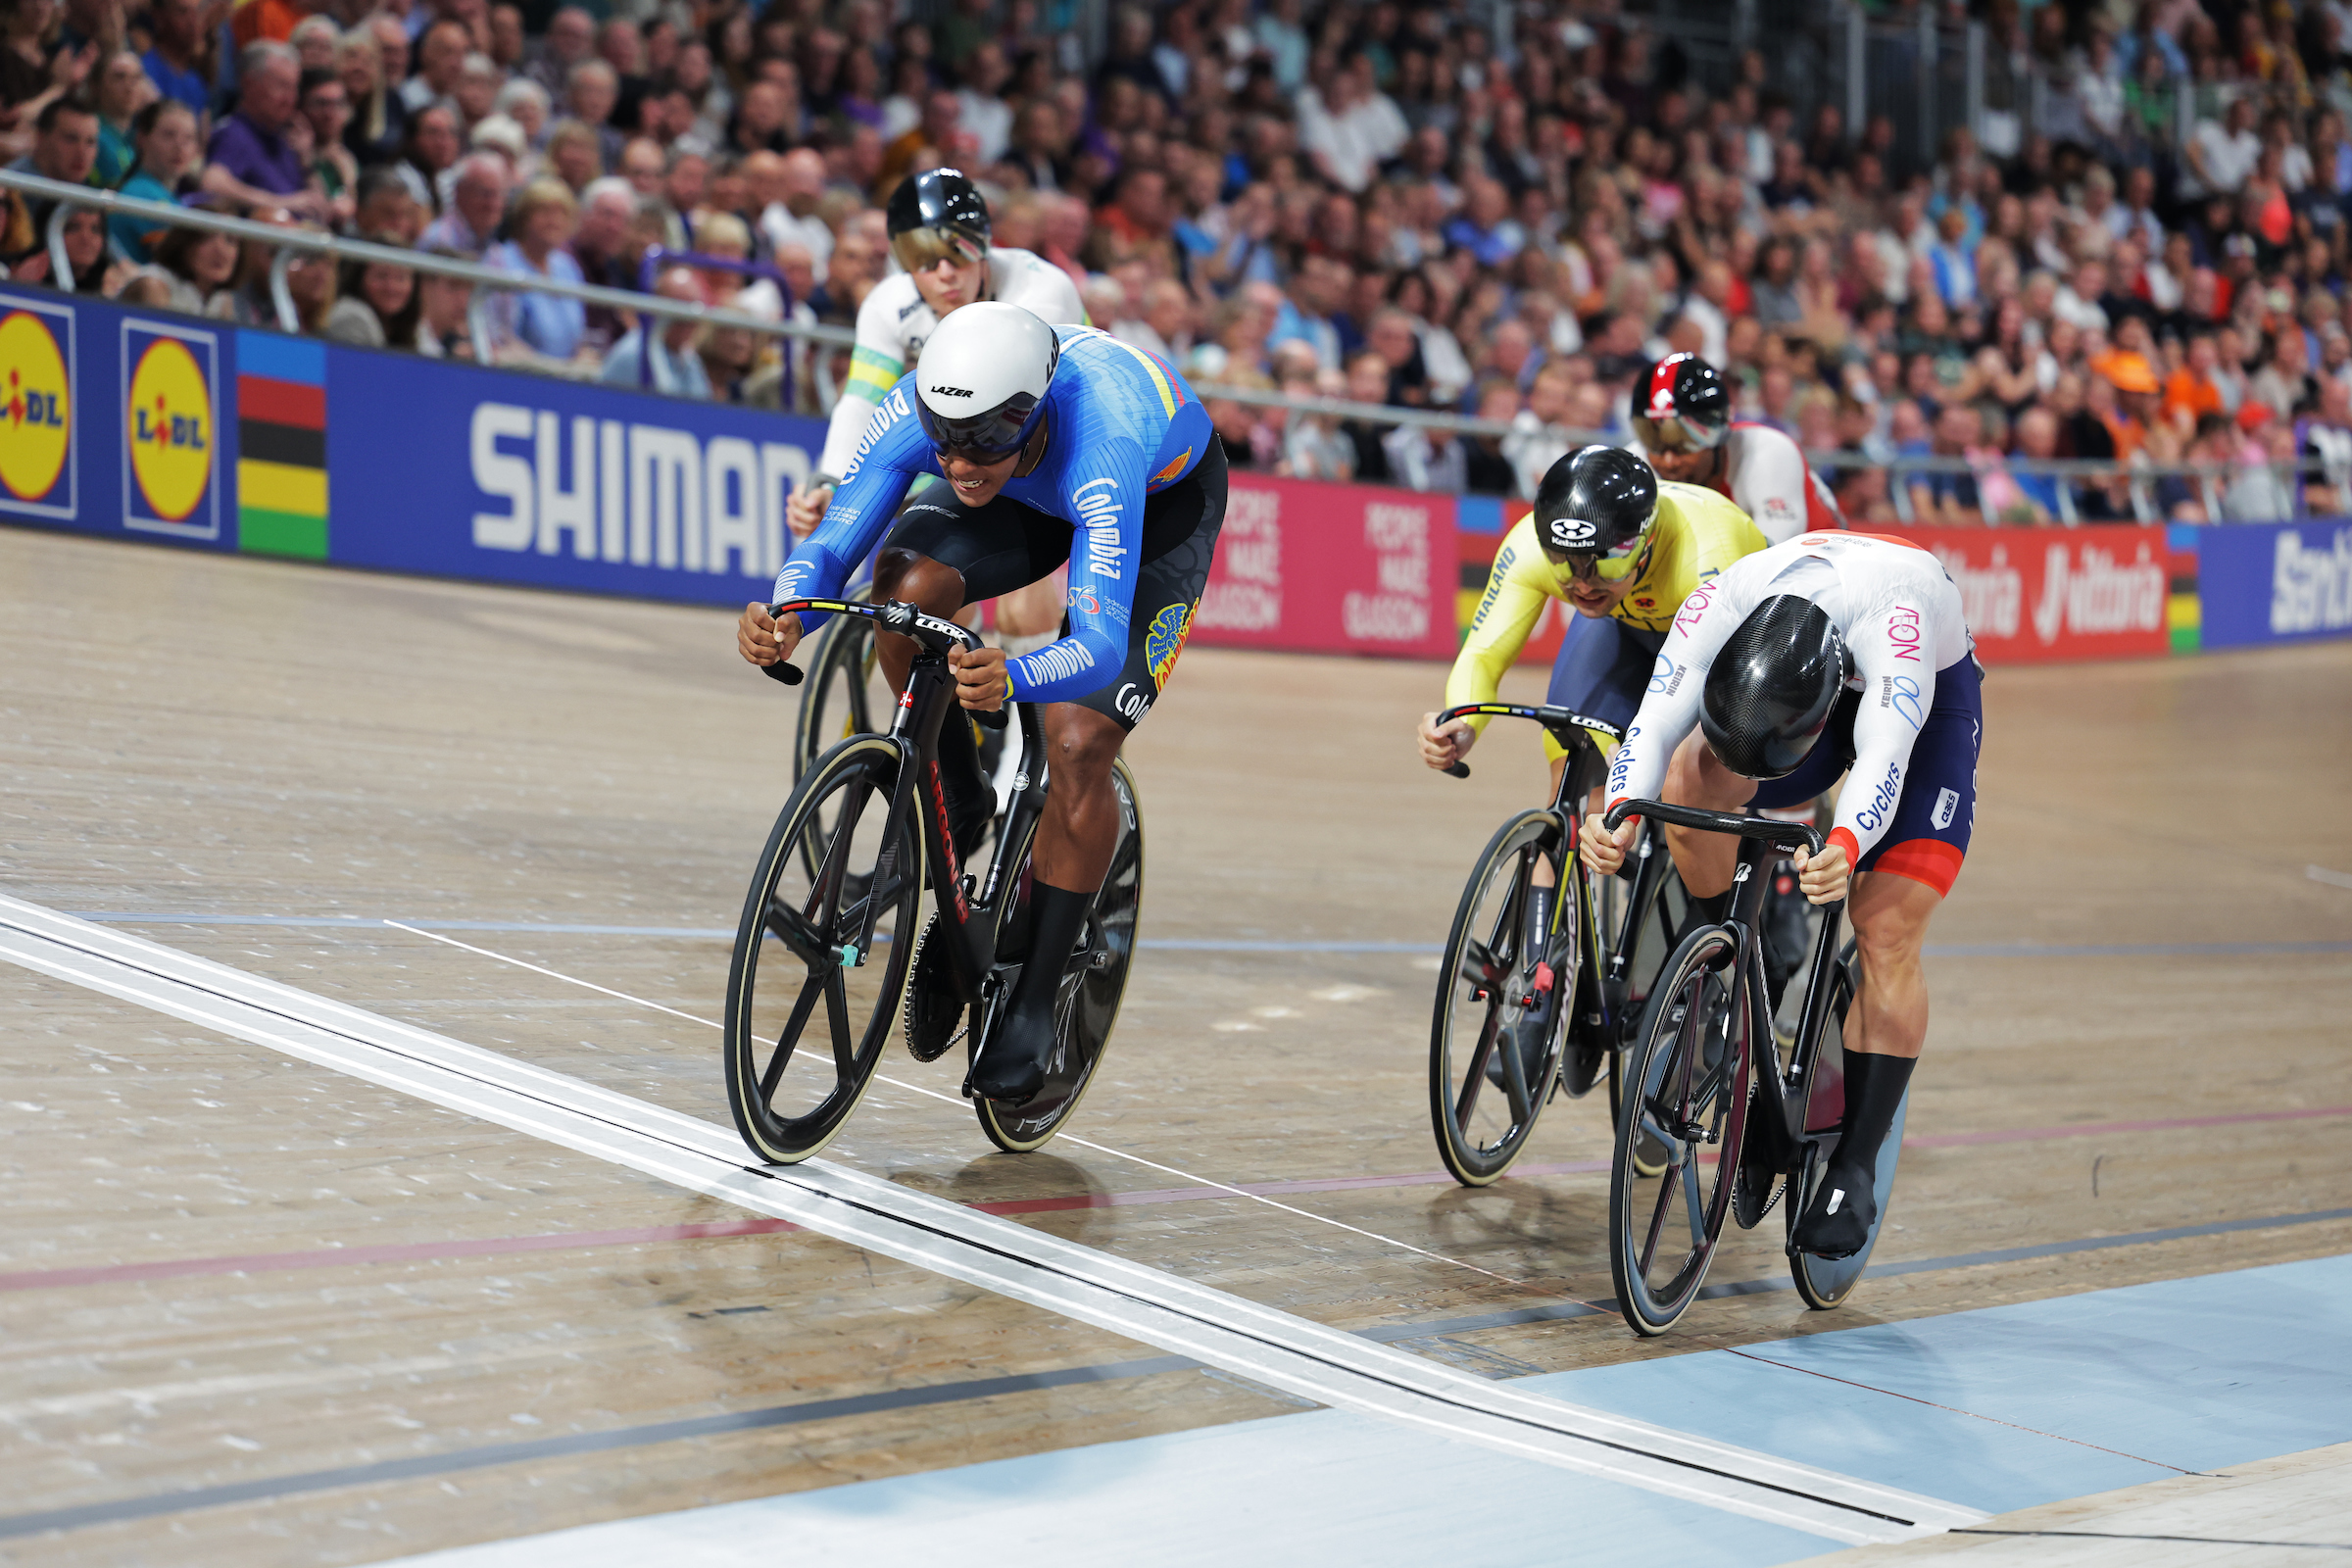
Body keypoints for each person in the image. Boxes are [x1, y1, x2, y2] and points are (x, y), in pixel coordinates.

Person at [739, 305, 1223, 1106]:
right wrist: (788, 611)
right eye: (945, 439)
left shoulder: (1102, 443)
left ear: (1029, 412)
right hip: (1031, 489)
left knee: (1077, 742)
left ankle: (1035, 1000)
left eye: (984, 439)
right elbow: (831, 545)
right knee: (902, 595)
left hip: (1161, 503)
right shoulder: (922, 409)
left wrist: (1015, 678)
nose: (961, 463)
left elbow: (1100, 646)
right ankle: (958, 793)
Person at [1580, 531, 1982, 1260]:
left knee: (1885, 929)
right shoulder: (1725, 597)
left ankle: (1854, 1165)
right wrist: (1618, 817)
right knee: (1689, 780)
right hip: (1791, 693)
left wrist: (1846, 845)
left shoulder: (1898, 621)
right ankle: (1743, 964)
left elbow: (1886, 753)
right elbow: (1654, 722)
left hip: (1924, 714)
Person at [1416, 446, 1769, 1083]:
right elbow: (1484, 650)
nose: (1580, 581)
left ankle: (1724, 970)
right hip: (1624, 633)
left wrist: (1646, 788)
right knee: (1571, 789)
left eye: (1601, 562)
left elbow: (1687, 702)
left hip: (1724, 646)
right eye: (1566, 564)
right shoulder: (1535, 548)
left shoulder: (1706, 549)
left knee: (1686, 786)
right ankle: (1543, 993)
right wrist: (1462, 723)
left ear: (1645, 539)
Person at [790, 167, 1085, 657]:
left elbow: (1026, 417)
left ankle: (1022, 702)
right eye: (923, 259)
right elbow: (862, 399)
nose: (945, 272)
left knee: (1022, 599)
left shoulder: (1042, 291)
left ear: (985, 246)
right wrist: (830, 480)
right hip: (962, 435)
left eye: (958, 251)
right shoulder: (887, 305)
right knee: (927, 575)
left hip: (1041, 442)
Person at [1630, 353, 1844, 543]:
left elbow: (1773, 552)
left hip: (1820, 560)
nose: (1668, 461)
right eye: (1653, 442)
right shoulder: (1636, 462)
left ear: (1718, 434)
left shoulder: (1768, 452)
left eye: (1686, 443)